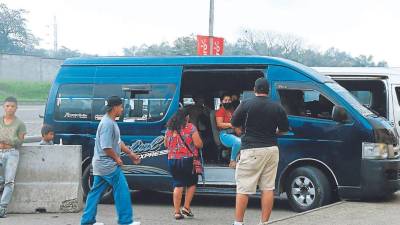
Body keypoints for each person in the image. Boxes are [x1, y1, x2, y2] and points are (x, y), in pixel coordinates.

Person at [231, 78, 289, 225]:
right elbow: (283, 129)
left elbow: (234, 123)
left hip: (252, 149)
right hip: (271, 149)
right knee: (268, 188)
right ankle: (264, 222)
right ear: (268, 90)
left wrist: (242, 135)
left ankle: (238, 223)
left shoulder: (246, 104)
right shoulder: (277, 107)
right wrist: (273, 133)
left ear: (254, 89)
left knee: (244, 187)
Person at [80, 96, 141, 225]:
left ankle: (87, 221)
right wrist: (117, 158)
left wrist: (131, 153)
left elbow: (118, 143)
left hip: (101, 165)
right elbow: (106, 146)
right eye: (121, 106)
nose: (122, 109)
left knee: (95, 193)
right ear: (115, 107)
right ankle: (125, 221)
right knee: (122, 191)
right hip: (108, 165)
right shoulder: (108, 124)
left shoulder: (110, 122)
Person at [164, 108, 203, 220]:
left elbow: (166, 144)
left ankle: (177, 212)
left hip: (172, 160)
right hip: (188, 160)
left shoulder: (170, 128)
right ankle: (186, 207)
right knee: (191, 182)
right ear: (186, 117)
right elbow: (198, 144)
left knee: (178, 184)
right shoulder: (190, 127)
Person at [0, 96, 26, 218]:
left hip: (12, 153)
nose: (10, 108)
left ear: (16, 108)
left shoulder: (20, 124)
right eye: (7, 106)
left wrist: (6, 139)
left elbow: (20, 142)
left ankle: (2, 208)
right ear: (3, 107)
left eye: (12, 106)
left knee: (9, 181)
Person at [215, 93, 241, 168]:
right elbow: (219, 124)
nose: (228, 102)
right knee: (238, 142)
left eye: (229, 100)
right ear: (221, 101)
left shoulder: (231, 111)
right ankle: (232, 161)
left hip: (234, 133)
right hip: (224, 134)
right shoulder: (220, 111)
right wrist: (231, 125)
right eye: (225, 100)